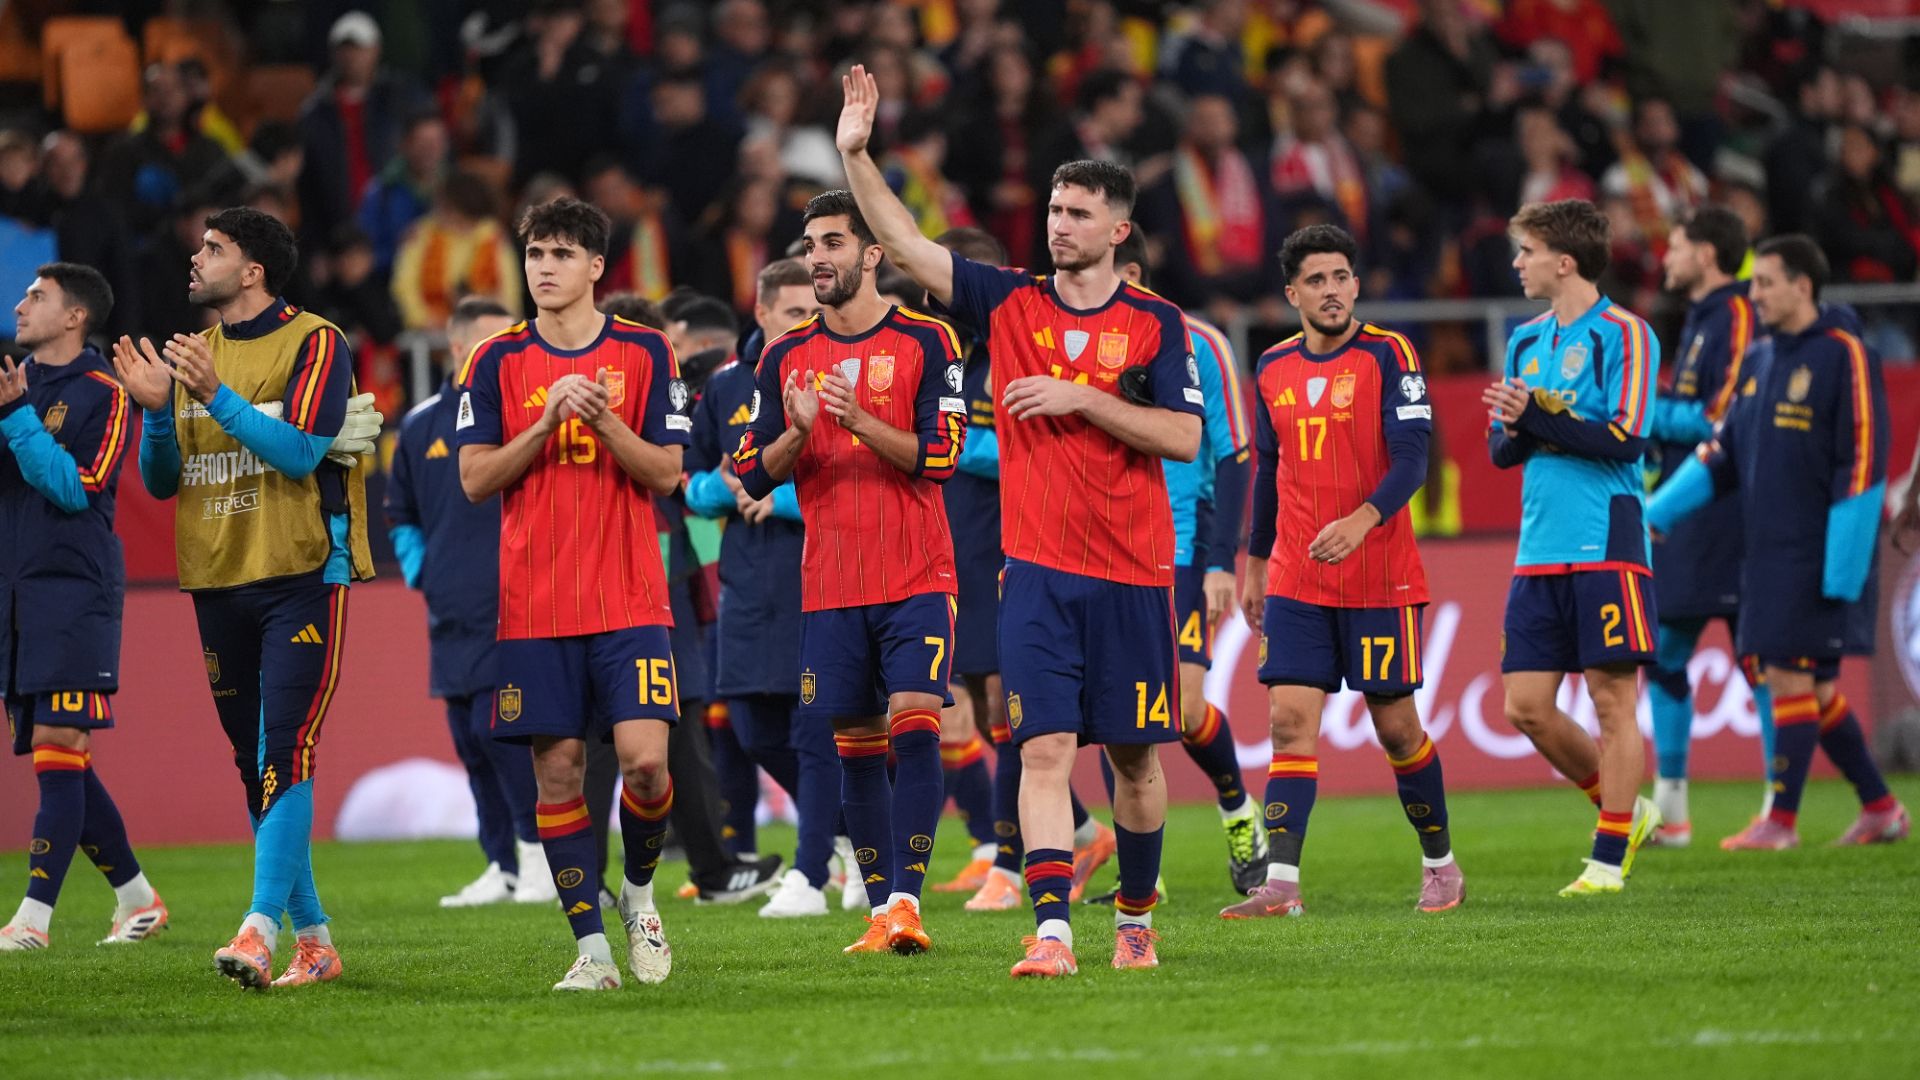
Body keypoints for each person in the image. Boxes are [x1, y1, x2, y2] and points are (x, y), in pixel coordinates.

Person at [837, 66, 1204, 977]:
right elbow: (907, 244)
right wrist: (856, 154)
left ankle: (1135, 917)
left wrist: (1083, 396)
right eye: (1053, 209)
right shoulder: (1010, 302)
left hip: (1132, 572)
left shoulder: (1159, 326)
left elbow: (1185, 437)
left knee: (1134, 763)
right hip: (1036, 573)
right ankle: (1052, 933)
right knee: (1040, 750)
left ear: (1118, 230)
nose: (1059, 225)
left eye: (1078, 213)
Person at [114, 208, 381, 987]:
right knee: (251, 762)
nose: (195, 258)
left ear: (253, 271)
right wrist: (159, 414)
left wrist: (214, 395)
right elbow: (163, 482)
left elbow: (301, 451)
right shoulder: (196, 353)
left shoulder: (316, 341)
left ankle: (259, 928)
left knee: (286, 750)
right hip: (216, 573)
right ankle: (317, 941)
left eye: (213, 248)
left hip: (300, 569)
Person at [454, 197, 688, 991]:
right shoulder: (492, 361)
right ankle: (591, 952)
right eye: (534, 254)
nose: (544, 268)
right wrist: (544, 426)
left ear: (596, 267)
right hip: (535, 607)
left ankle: (641, 894)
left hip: (629, 600)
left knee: (646, 765)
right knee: (557, 777)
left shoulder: (647, 351)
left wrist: (606, 424)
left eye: (560, 254)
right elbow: (476, 479)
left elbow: (666, 473)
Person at [732, 189, 967, 956]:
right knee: (855, 748)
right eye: (811, 245)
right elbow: (750, 474)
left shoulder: (929, 341)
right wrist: (798, 435)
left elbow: (941, 457)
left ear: (871, 254)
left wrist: (861, 421)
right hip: (831, 584)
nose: (819, 258)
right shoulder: (783, 356)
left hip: (917, 574)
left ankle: (907, 898)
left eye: (834, 243)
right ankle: (880, 911)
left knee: (914, 722)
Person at [1220, 224, 1463, 920]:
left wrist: (1362, 520)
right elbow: (1268, 474)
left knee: (1396, 730)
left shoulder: (1391, 354)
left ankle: (1441, 866)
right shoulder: (1270, 368)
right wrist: (1258, 561)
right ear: (1292, 292)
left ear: (1356, 284)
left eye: (1341, 277)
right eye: (1316, 281)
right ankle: (1282, 886)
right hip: (1298, 577)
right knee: (1290, 723)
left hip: (1379, 574)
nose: (1331, 291)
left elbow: (1412, 458)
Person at [1647, 236, 1908, 849]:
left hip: (1820, 550)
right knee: (1812, 689)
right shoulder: (1762, 359)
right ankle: (1881, 808)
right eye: (1754, 282)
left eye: (1765, 283)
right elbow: (1721, 455)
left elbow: (1865, 457)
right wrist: (1658, 510)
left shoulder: (1846, 354)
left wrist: (1842, 562)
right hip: (1764, 549)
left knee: (1790, 677)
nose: (1755, 294)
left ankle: (1780, 823)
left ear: (1803, 285)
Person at [1481, 199, 1661, 897]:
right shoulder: (1525, 340)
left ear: (1564, 260)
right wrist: (1526, 424)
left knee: (1613, 703)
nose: (1517, 264)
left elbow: (1628, 437)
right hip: (1539, 546)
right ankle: (1627, 810)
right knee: (1523, 705)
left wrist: (1540, 417)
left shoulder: (1626, 334)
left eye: (1525, 252)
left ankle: (1608, 858)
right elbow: (1504, 450)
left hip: (1605, 539)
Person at [0, 264, 167, 951]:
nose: (19, 304)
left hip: (74, 590)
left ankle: (33, 920)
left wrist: (16, 420)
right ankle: (137, 899)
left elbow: (79, 486)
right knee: (60, 758)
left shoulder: (103, 391)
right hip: (17, 597)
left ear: (75, 317)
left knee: (60, 746)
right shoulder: (16, 386)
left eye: (36, 296)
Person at [685, 259, 848, 918]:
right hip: (749, 582)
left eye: (814, 313)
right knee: (752, 730)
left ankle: (810, 873)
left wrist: (778, 499)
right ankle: (854, 829)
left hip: (820, 570)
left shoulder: (841, 377)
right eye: (792, 314)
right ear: (761, 314)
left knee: (814, 730)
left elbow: (863, 484)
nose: (806, 326)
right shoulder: (728, 387)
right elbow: (688, 480)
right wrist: (720, 490)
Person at [1110, 228, 1265, 898]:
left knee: (1183, 705)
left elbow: (1233, 455)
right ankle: (1142, 870)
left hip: (1179, 548)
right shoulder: (1075, 341)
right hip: (1103, 551)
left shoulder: (1198, 341)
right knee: (1113, 715)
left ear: (1135, 273)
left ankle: (1238, 810)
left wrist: (1220, 560)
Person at [385, 296, 554, 907]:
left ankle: (539, 857)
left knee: (504, 734)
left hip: (515, 600)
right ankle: (501, 863)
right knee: (468, 739)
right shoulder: (420, 424)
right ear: (457, 348)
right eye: (488, 341)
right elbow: (399, 511)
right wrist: (422, 571)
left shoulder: (522, 413)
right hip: (450, 607)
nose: (503, 352)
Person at [1644, 206, 1760, 845]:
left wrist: (1645, 414)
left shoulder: (1738, 315)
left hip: (1732, 509)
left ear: (1709, 254)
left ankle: (1780, 805)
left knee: (1761, 657)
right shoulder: (1700, 320)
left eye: (1678, 245)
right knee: (1662, 653)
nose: (1666, 256)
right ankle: (1674, 813)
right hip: (1688, 513)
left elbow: (1723, 420)